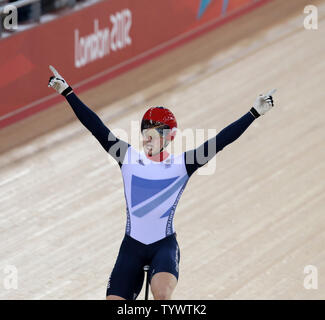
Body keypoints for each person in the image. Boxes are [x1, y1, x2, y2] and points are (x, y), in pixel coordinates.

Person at [48, 65, 276, 300]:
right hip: (131, 247)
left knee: (162, 296)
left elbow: (221, 141)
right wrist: (67, 92)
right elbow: (95, 126)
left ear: (169, 138)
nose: (150, 135)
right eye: (147, 129)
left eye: (157, 131)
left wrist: (253, 114)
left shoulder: (183, 164)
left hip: (163, 248)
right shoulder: (127, 157)